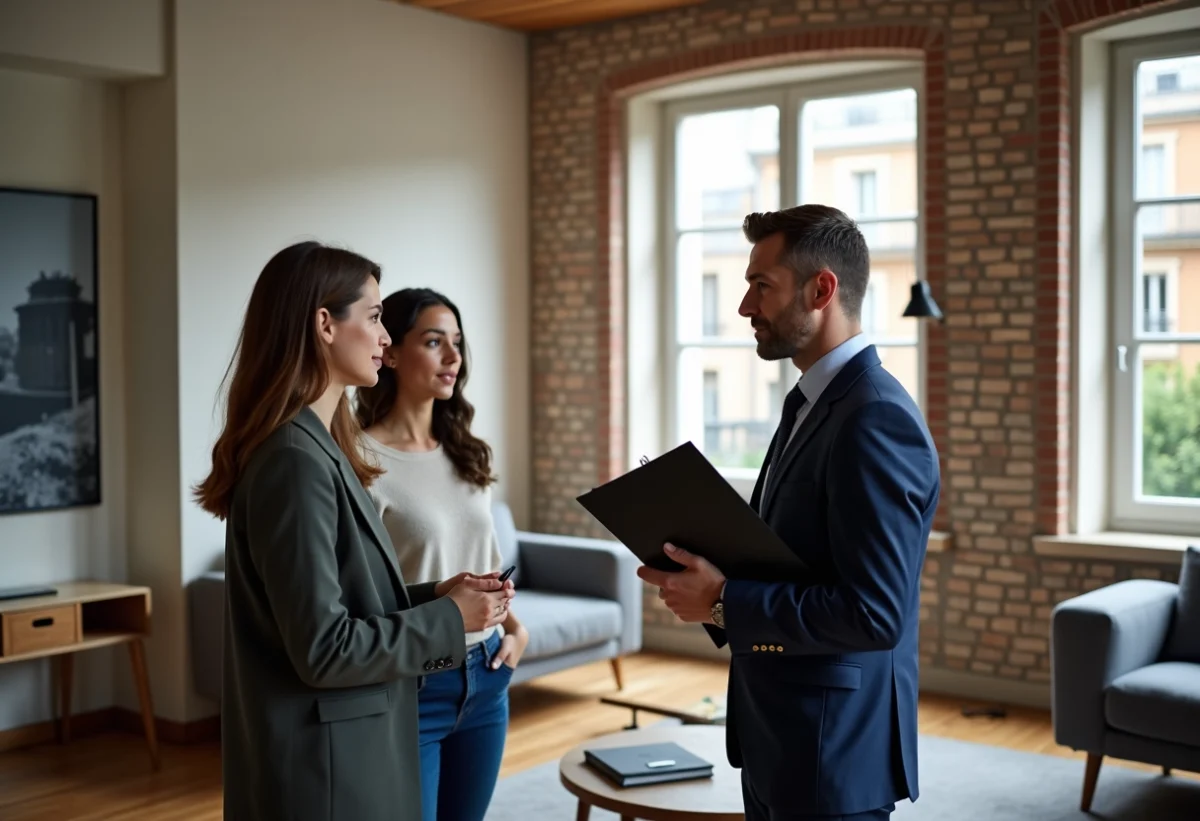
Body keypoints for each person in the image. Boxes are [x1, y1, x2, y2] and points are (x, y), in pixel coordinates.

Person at [637, 205, 940, 821]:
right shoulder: (810, 400)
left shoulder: (874, 417)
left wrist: (724, 601)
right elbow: (799, 560)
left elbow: (874, 612)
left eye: (761, 286)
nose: (746, 306)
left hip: (832, 751)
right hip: (785, 736)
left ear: (821, 289)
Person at [193, 242, 514, 821]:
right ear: (324, 325)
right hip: (329, 763)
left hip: (351, 744)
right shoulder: (294, 459)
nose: (385, 338)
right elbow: (324, 647)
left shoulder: (321, 448)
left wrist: (436, 595)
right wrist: (449, 620)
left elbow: (347, 600)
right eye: (373, 318)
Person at [353, 287, 528, 821]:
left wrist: (516, 630)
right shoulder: (359, 461)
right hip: (413, 686)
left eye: (457, 343)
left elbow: (485, 567)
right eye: (434, 342)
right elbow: (365, 594)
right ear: (391, 351)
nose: (453, 357)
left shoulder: (467, 452)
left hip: (487, 678)